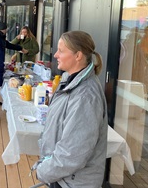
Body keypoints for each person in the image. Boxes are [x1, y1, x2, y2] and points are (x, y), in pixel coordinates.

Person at [33, 31, 107, 187]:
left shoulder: (85, 96)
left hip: (73, 182)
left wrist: (43, 171)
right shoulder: (70, 80)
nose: (55, 55)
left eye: (61, 50)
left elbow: (72, 153)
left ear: (78, 56)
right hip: (62, 177)